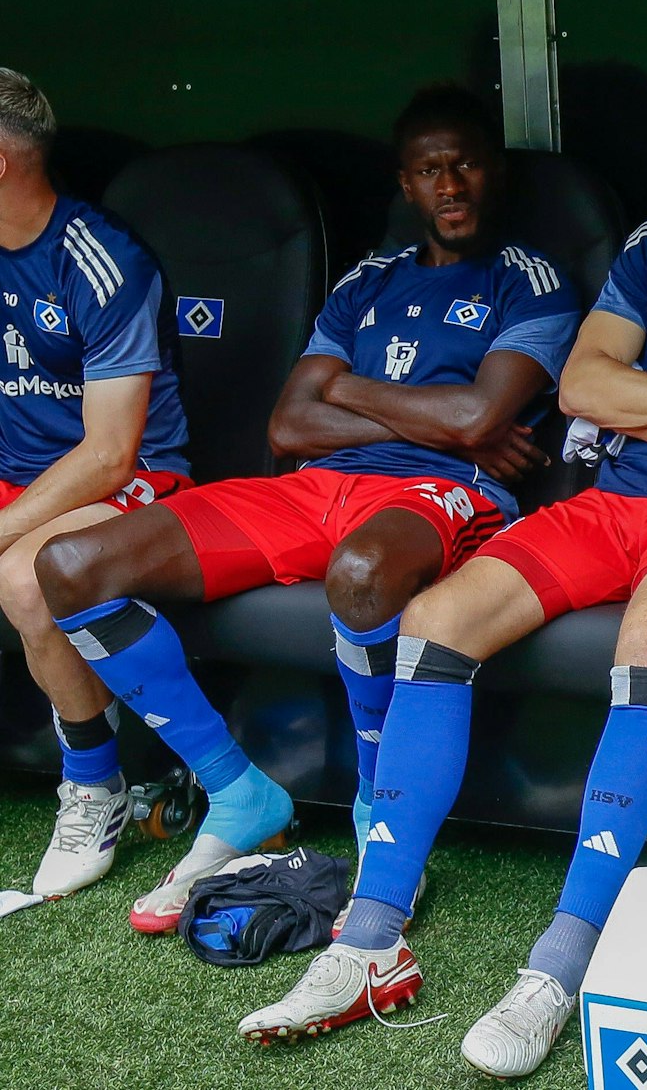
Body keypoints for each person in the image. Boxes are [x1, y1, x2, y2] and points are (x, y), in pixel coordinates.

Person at [235, 56, 647, 1079]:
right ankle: (368, 940)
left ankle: (560, 962)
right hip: (609, 501)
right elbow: (582, 384)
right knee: (437, 618)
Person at [35, 85, 580, 935]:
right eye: (430, 169)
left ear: (493, 170)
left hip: (437, 493)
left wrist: (361, 395)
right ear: (405, 184)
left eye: (466, 163)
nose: (451, 184)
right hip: (314, 486)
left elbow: (480, 420)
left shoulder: (531, 282)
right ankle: (235, 788)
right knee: (70, 567)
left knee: (361, 574)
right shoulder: (368, 281)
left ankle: (374, 803)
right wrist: (437, 413)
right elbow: (291, 425)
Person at [0, 67, 195, 902]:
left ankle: (94, 786)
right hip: (20, 477)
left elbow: (111, 453)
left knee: (23, 577)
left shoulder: (100, 258)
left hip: (133, 480)